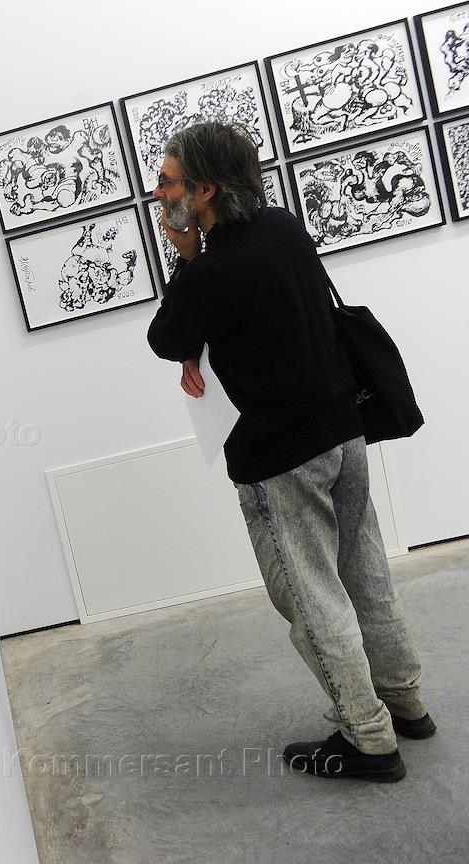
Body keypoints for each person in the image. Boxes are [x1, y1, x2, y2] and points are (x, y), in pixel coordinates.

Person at [145, 121, 433, 783]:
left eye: (167, 181)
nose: (158, 193)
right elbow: (262, 317)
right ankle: (404, 702)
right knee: (365, 573)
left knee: (310, 598)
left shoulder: (210, 269)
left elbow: (166, 338)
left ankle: (369, 739)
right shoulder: (283, 227)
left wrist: (186, 257)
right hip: (343, 430)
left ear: (204, 190)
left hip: (280, 456)